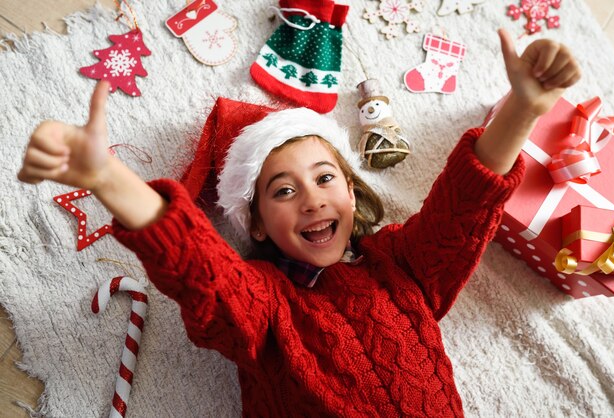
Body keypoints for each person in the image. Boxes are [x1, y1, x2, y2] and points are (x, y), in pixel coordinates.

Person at [18, 29, 580, 417]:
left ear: (353, 195)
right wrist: (111, 180)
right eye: (283, 190)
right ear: (257, 225)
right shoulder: (266, 307)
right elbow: (205, 276)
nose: (311, 199)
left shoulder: (403, 265)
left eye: (325, 178)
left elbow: (466, 202)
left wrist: (524, 107)